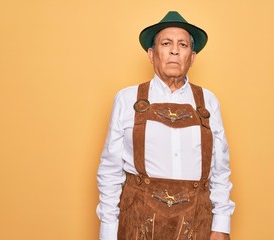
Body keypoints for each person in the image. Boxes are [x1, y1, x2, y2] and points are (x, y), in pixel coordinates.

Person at [96, 11, 235, 240]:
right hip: (137, 224)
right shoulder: (126, 99)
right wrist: (108, 232)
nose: (174, 50)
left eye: (183, 45)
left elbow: (220, 170)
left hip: (197, 224)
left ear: (192, 57)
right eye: (166, 43)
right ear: (152, 54)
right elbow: (110, 171)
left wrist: (221, 226)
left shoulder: (208, 101)